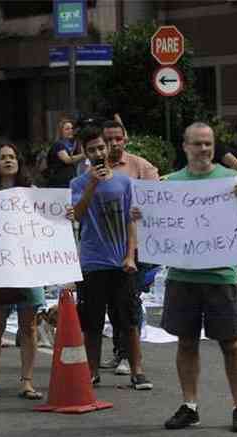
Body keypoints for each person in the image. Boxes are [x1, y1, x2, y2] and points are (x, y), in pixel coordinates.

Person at [132, 122, 237, 432]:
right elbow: (154, 221)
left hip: (221, 276)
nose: (204, 149)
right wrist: (140, 215)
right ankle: (190, 405)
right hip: (182, 276)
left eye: (208, 144)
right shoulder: (170, 183)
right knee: (186, 343)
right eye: (198, 144)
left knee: (231, 344)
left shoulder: (230, 179)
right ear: (185, 146)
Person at [71, 127, 153, 390]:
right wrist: (93, 183)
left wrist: (130, 256)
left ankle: (137, 370)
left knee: (128, 320)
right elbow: (78, 215)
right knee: (92, 322)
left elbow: (132, 220)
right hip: (93, 262)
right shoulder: (78, 184)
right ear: (85, 153)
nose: (97, 153)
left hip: (121, 263)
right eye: (92, 149)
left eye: (101, 148)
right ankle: (91, 371)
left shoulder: (125, 182)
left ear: (107, 149)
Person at [0, 143, 45, 400]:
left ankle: (27, 381)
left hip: (27, 267)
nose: (8, 160)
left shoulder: (32, 193)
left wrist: (64, 214)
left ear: (19, 161)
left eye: (12, 156)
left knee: (29, 327)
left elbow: (48, 222)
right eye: (2, 157)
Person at [100, 119, 159, 376]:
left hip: (135, 246)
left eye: (117, 139)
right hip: (106, 246)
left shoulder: (141, 166)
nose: (113, 144)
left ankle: (131, 358)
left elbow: (158, 202)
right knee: (112, 303)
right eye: (108, 140)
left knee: (129, 301)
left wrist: (141, 210)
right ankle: (119, 352)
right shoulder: (94, 168)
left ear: (125, 140)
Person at [46, 118, 85, 187]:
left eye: (72, 128)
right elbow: (67, 160)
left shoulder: (71, 145)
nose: (71, 131)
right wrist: (84, 155)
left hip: (67, 182)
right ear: (61, 132)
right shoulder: (58, 144)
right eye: (67, 129)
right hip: (59, 183)